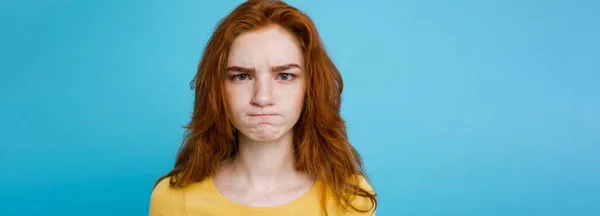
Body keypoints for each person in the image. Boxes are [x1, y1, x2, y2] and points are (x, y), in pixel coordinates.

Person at [148, 0, 377, 215]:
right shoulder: (173, 199)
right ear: (217, 89)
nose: (263, 97)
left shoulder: (350, 199)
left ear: (310, 87)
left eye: (285, 76)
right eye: (242, 76)